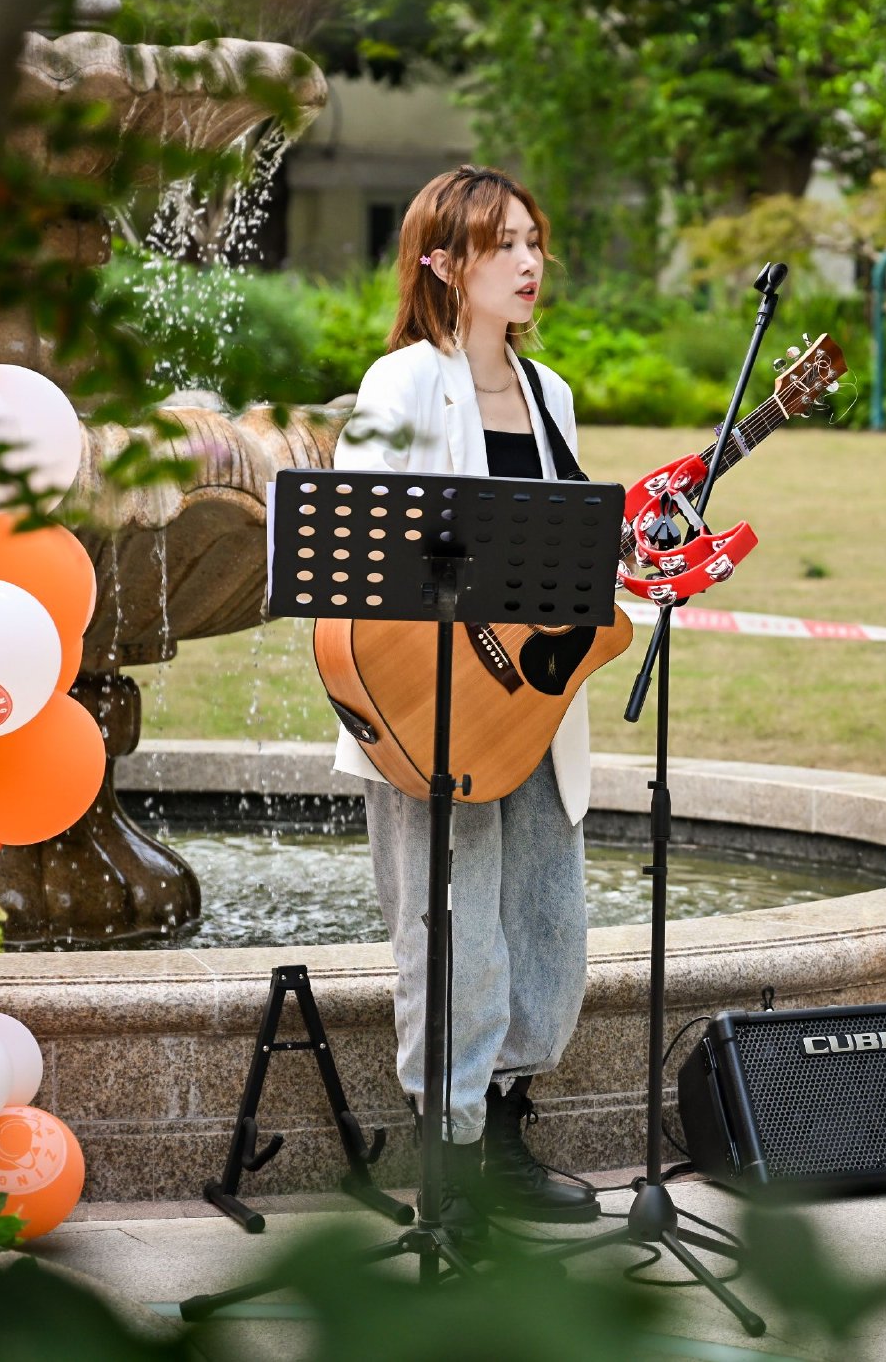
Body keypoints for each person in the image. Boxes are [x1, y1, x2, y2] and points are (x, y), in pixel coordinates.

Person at [333, 166, 597, 1236]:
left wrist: (643, 560)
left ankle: (503, 1127)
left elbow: (569, 561)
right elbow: (362, 558)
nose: (530, 264)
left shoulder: (552, 399)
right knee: (449, 922)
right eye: (505, 246)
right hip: (426, 705)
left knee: (543, 915)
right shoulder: (399, 387)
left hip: (528, 703)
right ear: (445, 263)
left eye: (535, 242)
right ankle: (446, 1158)